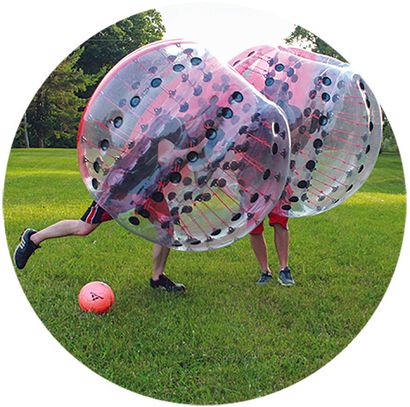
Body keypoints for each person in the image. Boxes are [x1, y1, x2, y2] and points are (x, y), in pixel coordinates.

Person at [13, 201, 186, 292]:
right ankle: (33, 238)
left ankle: (157, 278)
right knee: (84, 227)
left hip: (150, 189)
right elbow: (163, 156)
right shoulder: (165, 133)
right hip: (124, 185)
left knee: (165, 228)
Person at [249, 203, 295, 286]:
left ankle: (284, 268)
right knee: (254, 227)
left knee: (280, 221)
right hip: (250, 191)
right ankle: (265, 272)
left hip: (277, 190)